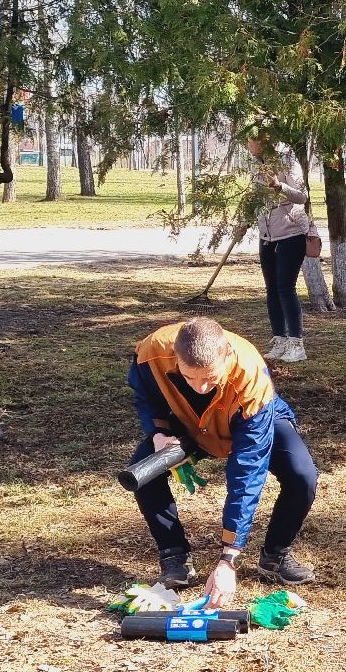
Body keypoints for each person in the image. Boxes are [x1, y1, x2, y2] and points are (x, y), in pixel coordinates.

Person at [126, 316, 319, 593]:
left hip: (252, 419)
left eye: (210, 377)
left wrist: (228, 557)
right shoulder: (151, 352)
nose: (201, 387)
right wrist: (158, 432)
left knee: (302, 475)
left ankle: (275, 556)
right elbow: (146, 395)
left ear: (226, 355)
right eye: (190, 376)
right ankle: (174, 557)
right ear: (175, 357)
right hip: (189, 423)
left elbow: (247, 471)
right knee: (143, 472)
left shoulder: (251, 379)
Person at [253, 139, 319, 363]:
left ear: (264, 139)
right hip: (267, 235)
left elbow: (302, 196)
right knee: (271, 289)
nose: (248, 144)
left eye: (251, 139)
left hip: (291, 232)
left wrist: (279, 186)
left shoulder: (286, 159)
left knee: (285, 288)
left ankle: (296, 344)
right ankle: (279, 340)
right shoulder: (256, 164)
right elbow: (255, 199)